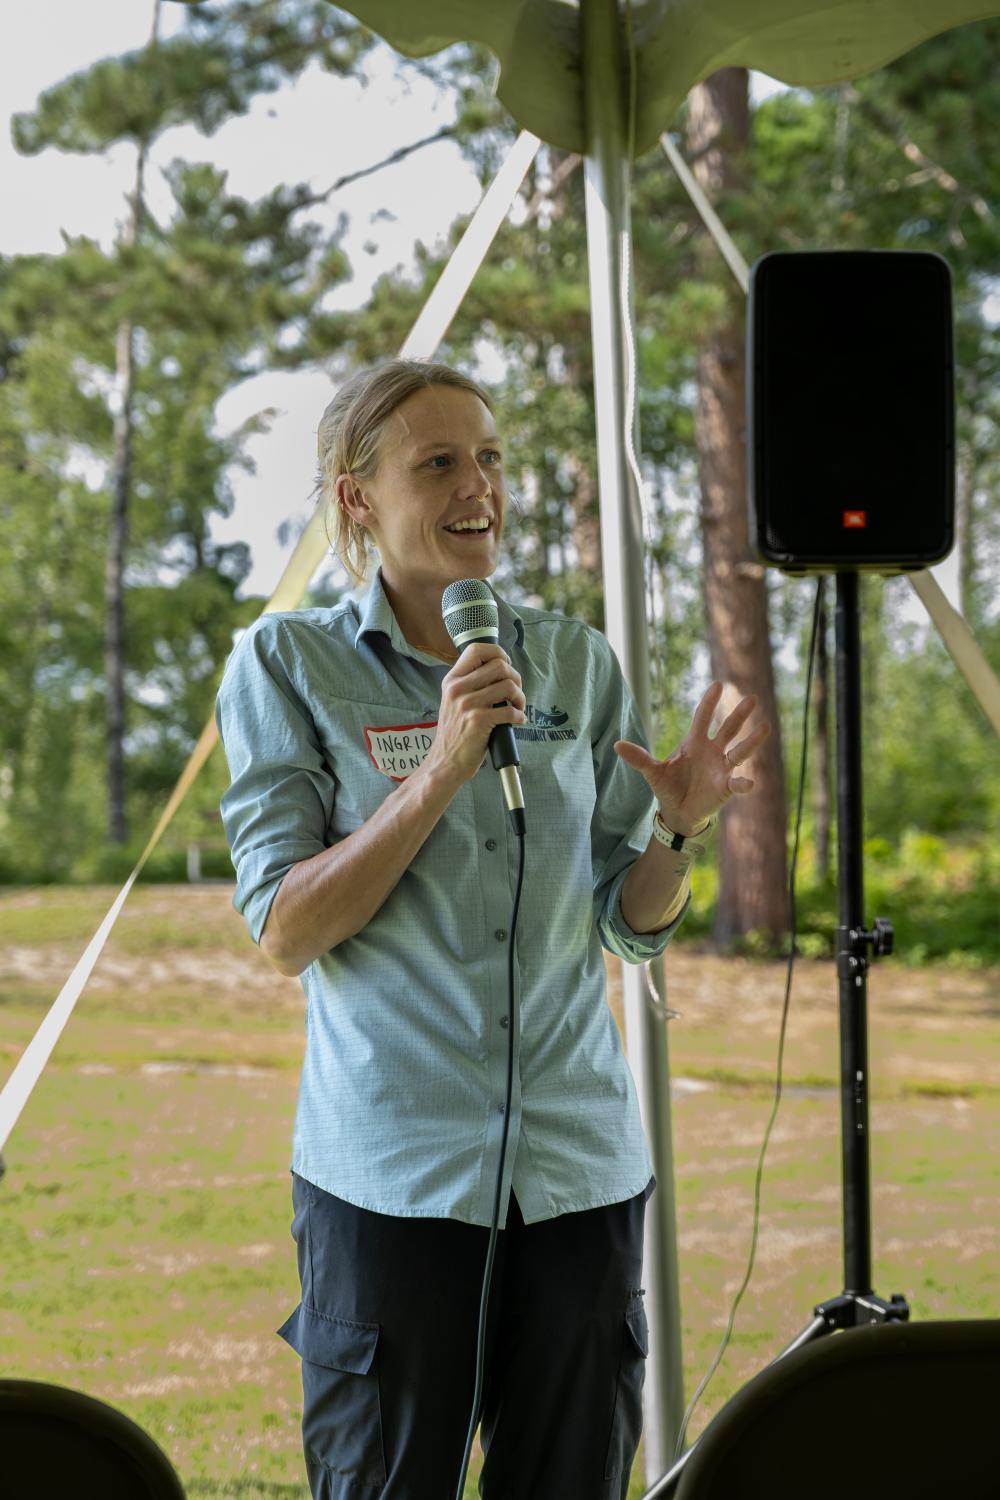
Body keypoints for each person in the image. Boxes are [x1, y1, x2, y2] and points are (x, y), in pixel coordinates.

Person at [214, 358, 769, 1500]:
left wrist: (675, 832)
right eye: (438, 462)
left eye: (490, 457)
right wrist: (439, 773)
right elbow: (283, 928)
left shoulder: (571, 661)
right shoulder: (287, 663)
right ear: (356, 497)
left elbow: (630, 925)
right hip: (395, 1184)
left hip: (579, 1178)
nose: (481, 486)